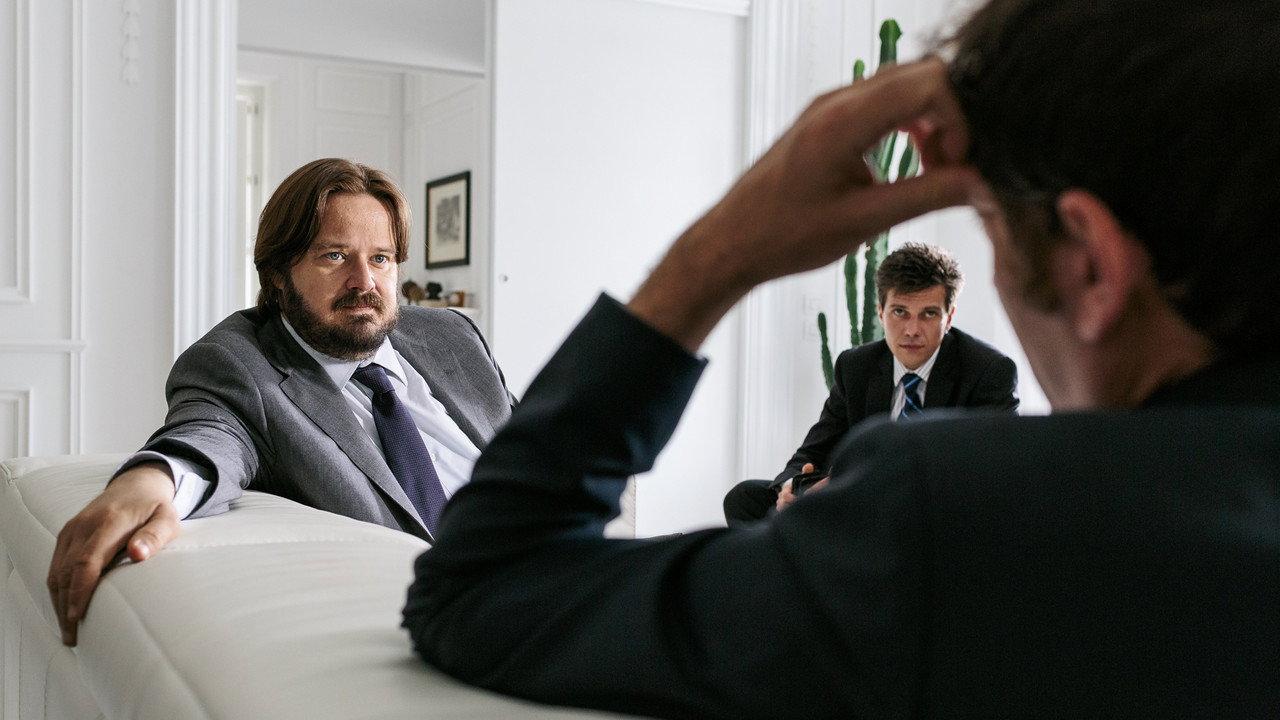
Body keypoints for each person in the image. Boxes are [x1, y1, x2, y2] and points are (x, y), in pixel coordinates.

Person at [401, 1, 1280, 717]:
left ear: (1089, 264)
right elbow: (822, 440)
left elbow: (480, 594)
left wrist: (716, 253)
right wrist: (801, 484)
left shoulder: (962, 520)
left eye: (993, 227)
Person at [48, 159, 514, 646]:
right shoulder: (241, 364)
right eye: (334, 256)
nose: (364, 281)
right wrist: (151, 481)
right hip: (473, 611)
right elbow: (209, 433)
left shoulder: (452, 336)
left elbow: (531, 442)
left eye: (381, 258)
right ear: (276, 274)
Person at [723, 242, 1017, 525]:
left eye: (929, 314)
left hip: (935, 513)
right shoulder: (856, 366)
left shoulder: (988, 371)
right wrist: (792, 488)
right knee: (745, 498)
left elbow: (992, 475)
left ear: (949, 317)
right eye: (899, 312)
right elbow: (813, 451)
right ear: (880, 312)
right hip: (859, 507)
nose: (912, 330)